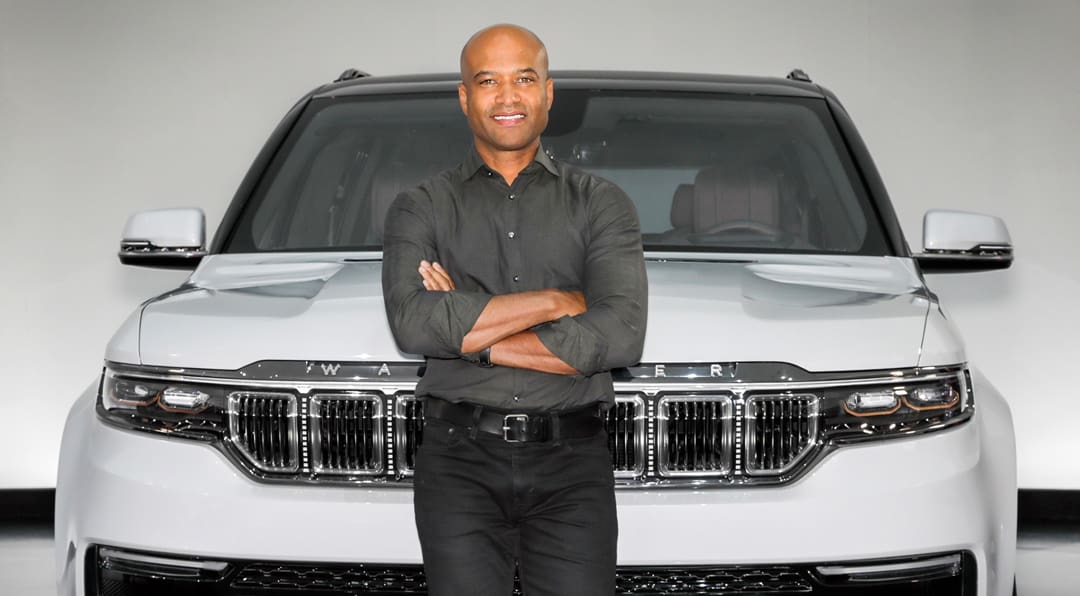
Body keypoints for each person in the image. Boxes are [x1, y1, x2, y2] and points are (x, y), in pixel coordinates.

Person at [381, 23, 648, 596]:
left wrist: (469, 334)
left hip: (573, 465)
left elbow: (620, 335)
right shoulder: (419, 207)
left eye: (524, 78)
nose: (507, 97)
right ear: (464, 96)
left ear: (548, 93)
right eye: (488, 81)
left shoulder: (602, 204)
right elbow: (412, 323)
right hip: (457, 465)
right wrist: (558, 301)